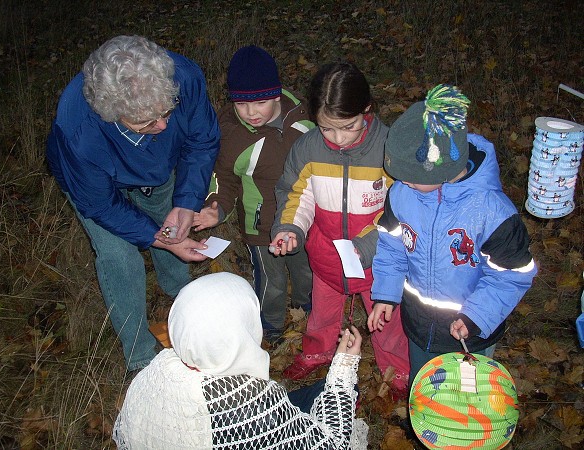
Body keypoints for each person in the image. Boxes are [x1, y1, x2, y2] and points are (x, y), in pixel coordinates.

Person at [46, 35, 220, 372]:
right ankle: (140, 356)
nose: (164, 125)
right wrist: (155, 237)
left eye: (167, 111)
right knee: (119, 255)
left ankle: (180, 290)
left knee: (168, 216)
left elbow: (201, 140)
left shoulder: (182, 77)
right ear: (114, 116)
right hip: (93, 182)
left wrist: (185, 203)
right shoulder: (78, 131)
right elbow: (102, 205)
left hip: (155, 167)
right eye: (147, 123)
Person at [368, 84, 537, 387]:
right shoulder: (402, 196)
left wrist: (477, 317)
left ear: (439, 170)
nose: (399, 182)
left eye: (409, 176)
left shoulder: (491, 212)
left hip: (470, 332)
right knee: (426, 389)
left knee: (465, 398)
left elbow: (511, 275)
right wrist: (386, 293)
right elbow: (393, 248)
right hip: (419, 325)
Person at [270, 62, 410, 396]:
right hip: (327, 255)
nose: (338, 138)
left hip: (379, 263)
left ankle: (397, 369)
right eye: (327, 129)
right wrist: (289, 228)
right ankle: (318, 350)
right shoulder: (308, 148)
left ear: (366, 109)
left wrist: (369, 243)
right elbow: (296, 195)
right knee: (321, 313)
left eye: (347, 127)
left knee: (387, 323)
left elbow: (402, 207)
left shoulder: (389, 150)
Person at [112, 272, 368, 449]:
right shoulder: (253, 406)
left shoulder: (159, 368)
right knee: (341, 390)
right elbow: (333, 444)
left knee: (313, 394)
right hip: (239, 427)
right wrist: (344, 368)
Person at [193, 46, 313, 342]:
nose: (250, 112)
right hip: (261, 225)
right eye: (241, 104)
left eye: (259, 103)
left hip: (304, 218)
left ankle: (307, 308)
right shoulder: (233, 134)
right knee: (270, 280)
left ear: (276, 94)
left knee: (306, 268)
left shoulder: (304, 117)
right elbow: (224, 178)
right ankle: (269, 326)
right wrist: (216, 207)